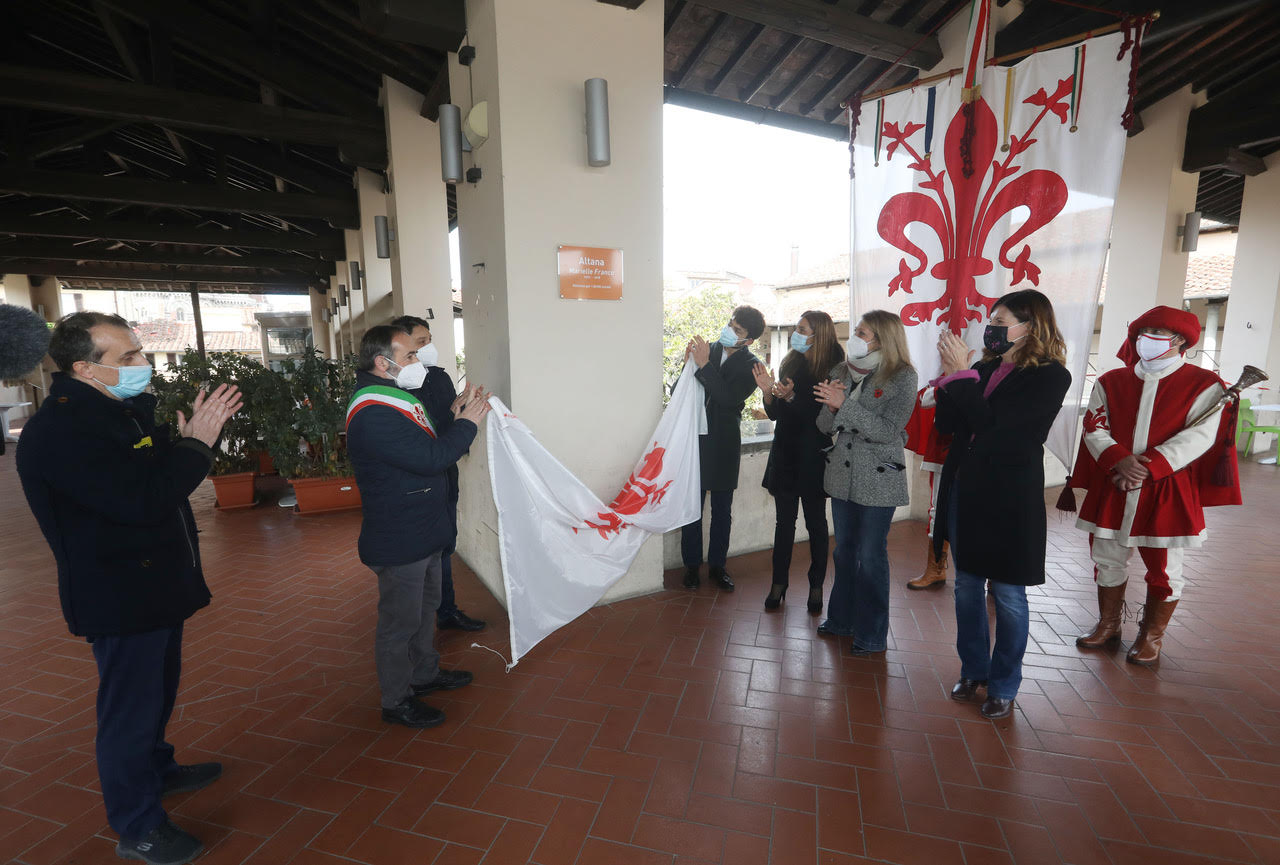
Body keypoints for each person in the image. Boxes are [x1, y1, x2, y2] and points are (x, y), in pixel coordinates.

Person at [16, 312, 242, 865]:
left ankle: (158, 768)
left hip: (151, 585)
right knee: (129, 712)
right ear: (83, 369)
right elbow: (140, 501)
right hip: (119, 593)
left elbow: (143, 475)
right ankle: (138, 826)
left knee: (157, 692)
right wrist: (197, 447)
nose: (144, 365)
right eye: (128, 358)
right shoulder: (65, 430)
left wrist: (181, 440)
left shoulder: (108, 410)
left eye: (141, 352)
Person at [1069, 305, 1240, 666]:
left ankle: (1151, 635)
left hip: (1166, 487)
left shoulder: (1205, 385)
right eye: (1143, 331)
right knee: (1107, 558)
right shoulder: (1110, 381)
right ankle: (1109, 624)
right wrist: (1119, 458)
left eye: (1157, 332)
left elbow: (1201, 435)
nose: (1146, 339)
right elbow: (1094, 425)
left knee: (1163, 567)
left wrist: (1151, 466)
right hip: (1115, 482)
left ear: (1180, 340)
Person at [933, 289, 1071, 720]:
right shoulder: (983, 367)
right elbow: (949, 426)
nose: (991, 328)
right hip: (967, 487)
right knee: (966, 587)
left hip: (1009, 496)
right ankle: (974, 669)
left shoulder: (1051, 376)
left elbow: (998, 434)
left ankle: (1005, 683)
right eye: (990, 320)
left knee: (1008, 593)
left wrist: (961, 380)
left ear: (1031, 326)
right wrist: (950, 379)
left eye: (1001, 319)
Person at [345, 324, 491, 728]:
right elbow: (431, 459)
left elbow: (427, 446)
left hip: (422, 527)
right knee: (399, 623)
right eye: (409, 355)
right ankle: (396, 700)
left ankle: (425, 674)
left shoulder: (397, 398)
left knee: (425, 610)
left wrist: (455, 414)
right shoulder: (373, 412)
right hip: (401, 534)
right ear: (382, 362)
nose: (416, 362)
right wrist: (469, 425)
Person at [813, 311, 917, 655]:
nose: (854, 336)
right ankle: (841, 619)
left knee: (871, 556)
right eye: (855, 331)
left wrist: (845, 406)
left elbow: (889, 432)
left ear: (883, 338)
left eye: (862, 332)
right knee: (845, 552)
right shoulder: (842, 370)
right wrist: (832, 406)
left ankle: (872, 634)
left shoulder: (903, 376)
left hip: (878, 478)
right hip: (842, 477)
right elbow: (824, 425)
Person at [389, 314, 486, 633]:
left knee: (446, 542)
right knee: (419, 553)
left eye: (429, 341)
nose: (427, 348)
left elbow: (447, 428)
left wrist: (457, 412)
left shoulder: (440, 377)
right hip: (414, 481)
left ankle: (447, 610)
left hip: (444, 473)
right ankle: (417, 619)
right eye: (419, 343)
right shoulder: (390, 387)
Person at [751, 310, 845, 613]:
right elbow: (777, 413)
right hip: (786, 452)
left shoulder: (835, 364)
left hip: (814, 453)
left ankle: (816, 586)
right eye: (797, 328)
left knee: (817, 524)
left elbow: (822, 419)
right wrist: (769, 394)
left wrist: (791, 399)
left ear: (819, 333)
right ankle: (778, 584)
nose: (797, 333)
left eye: (802, 329)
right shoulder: (790, 360)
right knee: (784, 524)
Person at [680, 305, 766, 592]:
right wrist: (686, 366)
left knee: (721, 509)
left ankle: (718, 566)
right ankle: (691, 566)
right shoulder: (708, 348)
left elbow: (729, 399)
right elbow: (678, 393)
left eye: (738, 330)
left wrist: (703, 367)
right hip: (696, 439)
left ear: (749, 340)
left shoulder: (751, 365)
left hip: (724, 441)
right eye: (730, 324)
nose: (730, 330)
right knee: (692, 507)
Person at [903, 387, 952, 589]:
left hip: (984, 450)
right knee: (938, 510)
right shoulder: (945, 374)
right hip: (945, 445)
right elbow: (925, 398)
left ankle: (992, 576)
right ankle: (936, 568)